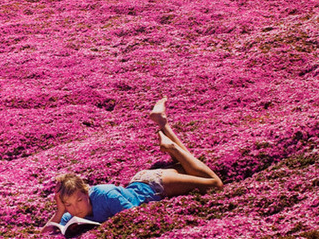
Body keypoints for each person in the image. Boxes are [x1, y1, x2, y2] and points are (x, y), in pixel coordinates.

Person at [42, 97, 223, 231]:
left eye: (79, 200)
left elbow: (135, 217)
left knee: (214, 184)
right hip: (139, 181)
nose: (76, 208)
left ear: (86, 191)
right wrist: (60, 211)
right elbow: (45, 235)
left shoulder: (106, 196)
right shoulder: (72, 213)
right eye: (69, 204)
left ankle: (170, 146)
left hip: (155, 185)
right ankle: (162, 123)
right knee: (187, 165)